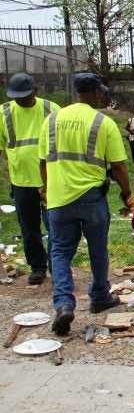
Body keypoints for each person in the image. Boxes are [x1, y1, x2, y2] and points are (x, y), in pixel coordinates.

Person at [38, 72, 134, 335]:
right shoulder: (102, 122)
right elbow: (118, 166)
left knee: (59, 252)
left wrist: (46, 191)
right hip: (91, 197)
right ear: (93, 93)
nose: (102, 95)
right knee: (97, 248)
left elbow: (43, 161)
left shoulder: (52, 119)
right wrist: (127, 194)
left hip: (59, 199)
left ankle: (64, 304)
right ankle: (100, 296)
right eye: (100, 92)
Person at [0, 73, 60, 285]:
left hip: (50, 180)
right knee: (29, 228)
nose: (21, 100)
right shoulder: (4, 112)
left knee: (54, 225)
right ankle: (37, 267)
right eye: (16, 96)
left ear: (36, 91)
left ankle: (57, 266)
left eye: (25, 96)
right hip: (21, 181)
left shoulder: (51, 109)